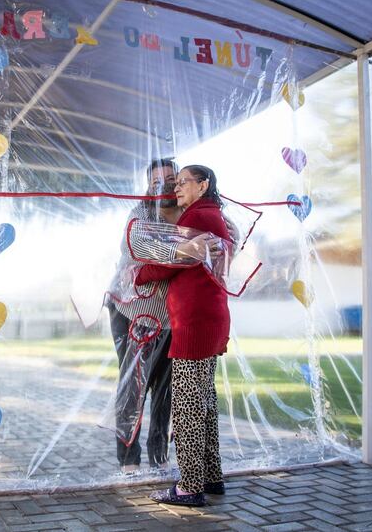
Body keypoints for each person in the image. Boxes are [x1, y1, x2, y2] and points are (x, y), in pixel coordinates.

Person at [134, 165, 231, 507]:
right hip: (207, 319)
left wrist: (140, 272)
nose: (176, 188)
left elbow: (173, 259)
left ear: (203, 184)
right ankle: (210, 476)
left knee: (188, 406)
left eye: (182, 182)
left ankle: (190, 487)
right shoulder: (209, 213)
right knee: (203, 402)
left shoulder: (200, 216)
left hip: (194, 323)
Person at [104, 158, 182, 473]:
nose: (163, 185)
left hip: (169, 314)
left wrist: (200, 243)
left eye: (170, 178)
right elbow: (137, 245)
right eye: (156, 181)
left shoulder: (189, 212)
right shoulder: (139, 213)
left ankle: (159, 455)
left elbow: (223, 237)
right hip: (130, 309)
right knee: (134, 383)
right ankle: (128, 459)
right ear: (148, 186)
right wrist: (186, 251)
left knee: (166, 387)